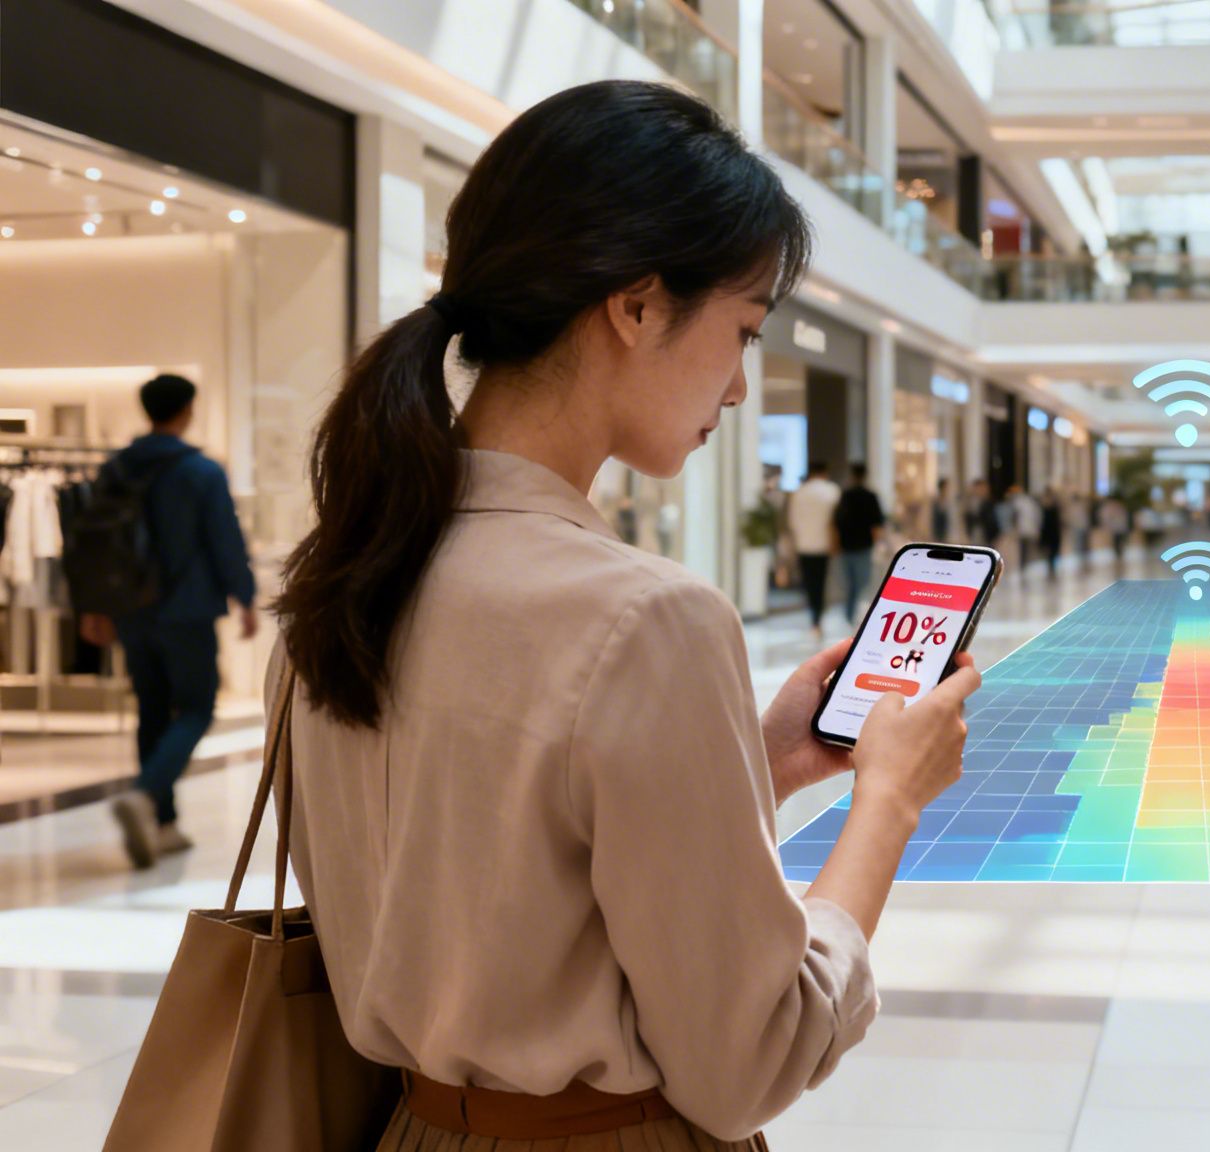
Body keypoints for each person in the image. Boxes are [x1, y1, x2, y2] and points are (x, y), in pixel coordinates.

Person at [269, 82, 980, 1150]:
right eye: (741, 331)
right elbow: (748, 1061)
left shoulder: (345, 572)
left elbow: (496, 867)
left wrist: (762, 759)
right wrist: (885, 799)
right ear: (638, 306)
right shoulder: (645, 618)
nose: (739, 388)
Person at [89, 374, 258, 870]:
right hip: (187, 608)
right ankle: (144, 796)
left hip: (131, 610)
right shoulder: (200, 471)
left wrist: (95, 609)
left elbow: (93, 546)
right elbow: (223, 539)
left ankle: (162, 826)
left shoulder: (115, 468)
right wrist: (244, 596)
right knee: (199, 707)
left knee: (152, 709)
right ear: (186, 410)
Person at [787, 464, 841, 637]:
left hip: (804, 544)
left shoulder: (800, 493)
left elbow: (792, 521)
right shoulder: (832, 490)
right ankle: (818, 617)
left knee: (810, 583)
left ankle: (815, 618)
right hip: (824, 544)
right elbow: (837, 519)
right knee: (822, 582)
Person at [834, 463, 885, 625]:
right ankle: (857, 614)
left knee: (851, 583)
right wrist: (877, 543)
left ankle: (850, 614)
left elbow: (837, 521)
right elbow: (876, 524)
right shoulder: (870, 496)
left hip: (846, 545)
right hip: (864, 545)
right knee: (862, 582)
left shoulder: (845, 495)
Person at [1007, 484, 1040, 573]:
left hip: (1025, 529)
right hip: (1024, 529)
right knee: (1024, 549)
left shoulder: (1020, 502)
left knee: (1025, 549)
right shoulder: (1027, 502)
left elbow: (1015, 517)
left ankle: (1025, 565)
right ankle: (1024, 565)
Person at [1099, 494, 1130, 570]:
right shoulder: (1111, 507)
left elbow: (1123, 517)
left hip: (1120, 528)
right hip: (1116, 528)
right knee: (1117, 543)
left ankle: (1119, 557)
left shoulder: (1118, 506)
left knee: (1119, 542)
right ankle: (1118, 557)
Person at [1038, 489, 1064, 578]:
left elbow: (1058, 523)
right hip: (1048, 534)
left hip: (1054, 535)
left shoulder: (1055, 509)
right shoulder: (1044, 510)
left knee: (1053, 552)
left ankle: (1052, 568)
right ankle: (1050, 568)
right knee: (1049, 553)